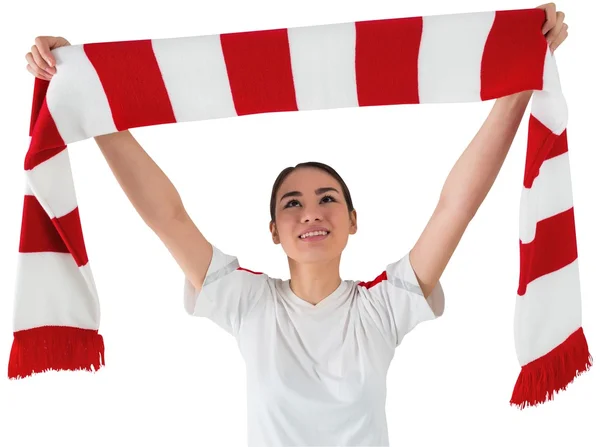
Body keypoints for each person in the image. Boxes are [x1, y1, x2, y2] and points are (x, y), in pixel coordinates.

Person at [25, 4, 567, 446]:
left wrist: (522, 78)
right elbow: (167, 215)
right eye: (292, 204)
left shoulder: (382, 308)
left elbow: (456, 206)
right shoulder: (248, 303)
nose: (311, 211)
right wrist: (86, 98)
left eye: (328, 198)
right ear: (274, 232)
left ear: (353, 222)